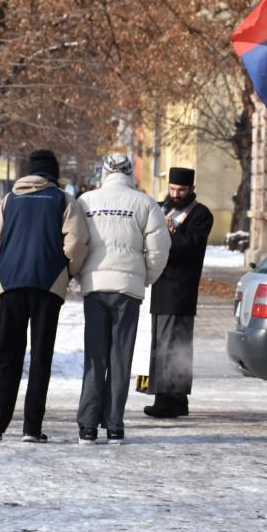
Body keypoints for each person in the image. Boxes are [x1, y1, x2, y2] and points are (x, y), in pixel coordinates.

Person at [0, 150, 89, 442]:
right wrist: (67, 271)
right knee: (41, 357)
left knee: (8, 356)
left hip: (11, 285)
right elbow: (76, 243)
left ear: (29, 172)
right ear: (53, 172)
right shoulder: (64, 200)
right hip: (47, 287)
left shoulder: (9, 200)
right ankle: (31, 428)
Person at [77, 154, 170, 445]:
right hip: (127, 290)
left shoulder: (85, 202)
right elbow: (159, 249)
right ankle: (114, 425)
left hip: (94, 287)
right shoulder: (145, 203)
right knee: (120, 358)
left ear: (104, 172)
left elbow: (75, 242)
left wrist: (80, 275)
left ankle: (88, 426)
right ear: (130, 173)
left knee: (95, 357)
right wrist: (143, 278)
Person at [142, 167, 213, 419]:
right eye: (172, 189)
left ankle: (168, 399)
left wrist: (168, 237)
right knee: (162, 342)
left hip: (181, 289)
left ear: (191, 189)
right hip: (160, 286)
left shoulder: (200, 214)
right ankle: (176, 398)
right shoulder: (160, 209)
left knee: (174, 345)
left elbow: (190, 245)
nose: (175, 194)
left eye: (181, 190)